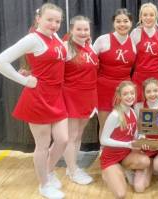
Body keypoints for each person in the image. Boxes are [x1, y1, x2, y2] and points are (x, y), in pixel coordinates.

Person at [0, 3, 67, 199]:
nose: (54, 24)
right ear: (38, 19)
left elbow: (49, 62)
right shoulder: (32, 38)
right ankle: (44, 184)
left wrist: (33, 71)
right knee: (42, 145)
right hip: (39, 97)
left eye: (58, 21)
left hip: (57, 95)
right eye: (49, 20)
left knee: (62, 140)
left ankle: (48, 172)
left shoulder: (55, 36)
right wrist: (25, 80)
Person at [62, 16, 98, 185]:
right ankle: (73, 170)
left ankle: (72, 167)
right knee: (71, 136)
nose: (83, 33)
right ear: (71, 30)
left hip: (88, 95)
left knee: (78, 135)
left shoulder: (89, 46)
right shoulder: (66, 48)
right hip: (72, 96)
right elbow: (48, 67)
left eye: (86, 29)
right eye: (79, 29)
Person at [100, 81, 151, 198]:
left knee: (145, 161)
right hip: (111, 158)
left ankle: (124, 169)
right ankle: (108, 173)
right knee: (121, 194)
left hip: (125, 155)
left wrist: (141, 138)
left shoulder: (132, 111)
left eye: (132, 93)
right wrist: (127, 144)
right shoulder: (115, 115)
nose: (130, 96)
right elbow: (103, 140)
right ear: (120, 96)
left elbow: (135, 135)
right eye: (126, 94)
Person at [93, 8, 136, 138]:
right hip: (104, 87)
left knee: (123, 123)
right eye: (118, 21)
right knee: (105, 123)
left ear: (131, 23)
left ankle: (120, 152)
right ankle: (103, 154)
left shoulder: (134, 42)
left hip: (125, 89)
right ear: (113, 23)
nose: (122, 24)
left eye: (125, 21)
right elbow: (90, 62)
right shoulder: (103, 40)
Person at [134, 78, 158, 184]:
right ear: (144, 93)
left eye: (155, 90)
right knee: (139, 187)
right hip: (145, 148)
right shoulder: (138, 107)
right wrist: (142, 140)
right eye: (148, 91)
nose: (152, 94)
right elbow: (137, 129)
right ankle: (149, 165)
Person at [130, 3, 158, 102]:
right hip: (139, 77)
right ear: (140, 17)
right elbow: (130, 56)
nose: (148, 18)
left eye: (151, 15)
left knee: (157, 108)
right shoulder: (135, 33)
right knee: (139, 107)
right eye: (145, 15)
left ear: (156, 17)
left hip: (157, 77)